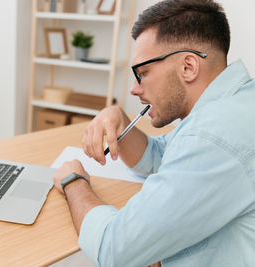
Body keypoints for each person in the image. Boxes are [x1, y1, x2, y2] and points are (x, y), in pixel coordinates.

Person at [52, 0, 255, 266]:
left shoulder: (212, 136)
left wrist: (74, 181)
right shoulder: (232, 105)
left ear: (188, 67)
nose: (134, 90)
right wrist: (121, 119)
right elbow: (160, 157)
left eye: (143, 72)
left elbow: (115, 249)